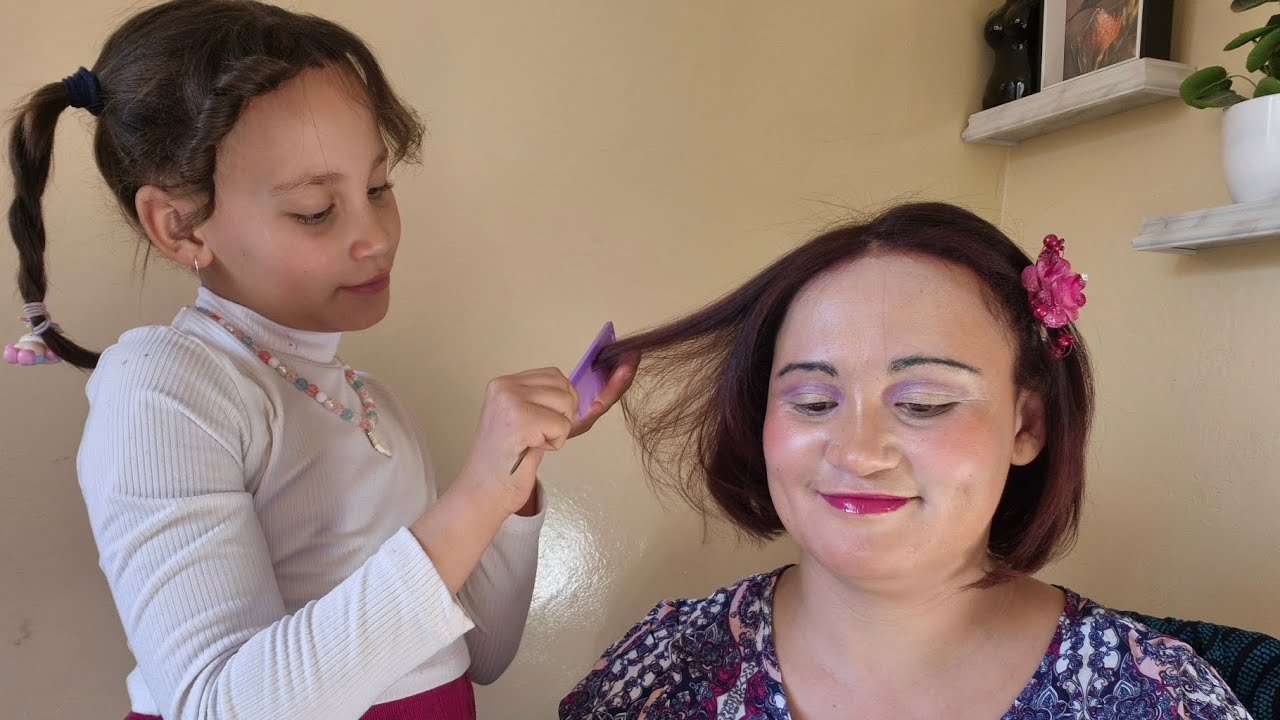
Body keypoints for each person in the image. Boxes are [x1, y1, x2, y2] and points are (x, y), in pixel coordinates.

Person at [4, 2, 635, 718]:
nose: (375, 236)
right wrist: (478, 493)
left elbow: (480, 654)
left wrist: (514, 480)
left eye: (377, 187)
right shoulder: (164, 384)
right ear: (180, 227)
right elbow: (220, 704)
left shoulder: (376, 404)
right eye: (314, 210)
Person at [561, 202, 1250, 719]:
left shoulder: (1154, 697)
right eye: (811, 400)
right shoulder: (662, 671)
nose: (858, 452)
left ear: (1027, 424)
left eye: (921, 403)